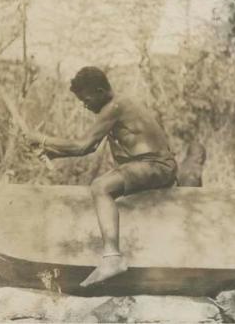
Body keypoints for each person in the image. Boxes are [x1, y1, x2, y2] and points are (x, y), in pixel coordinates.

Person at [26, 66, 177, 287]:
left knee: (100, 187)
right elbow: (88, 148)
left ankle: (112, 258)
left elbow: (81, 145)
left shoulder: (115, 106)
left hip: (156, 166)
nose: (84, 105)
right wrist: (52, 153)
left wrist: (42, 139)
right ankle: (111, 256)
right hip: (151, 166)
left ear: (99, 91)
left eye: (86, 99)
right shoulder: (116, 106)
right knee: (103, 185)